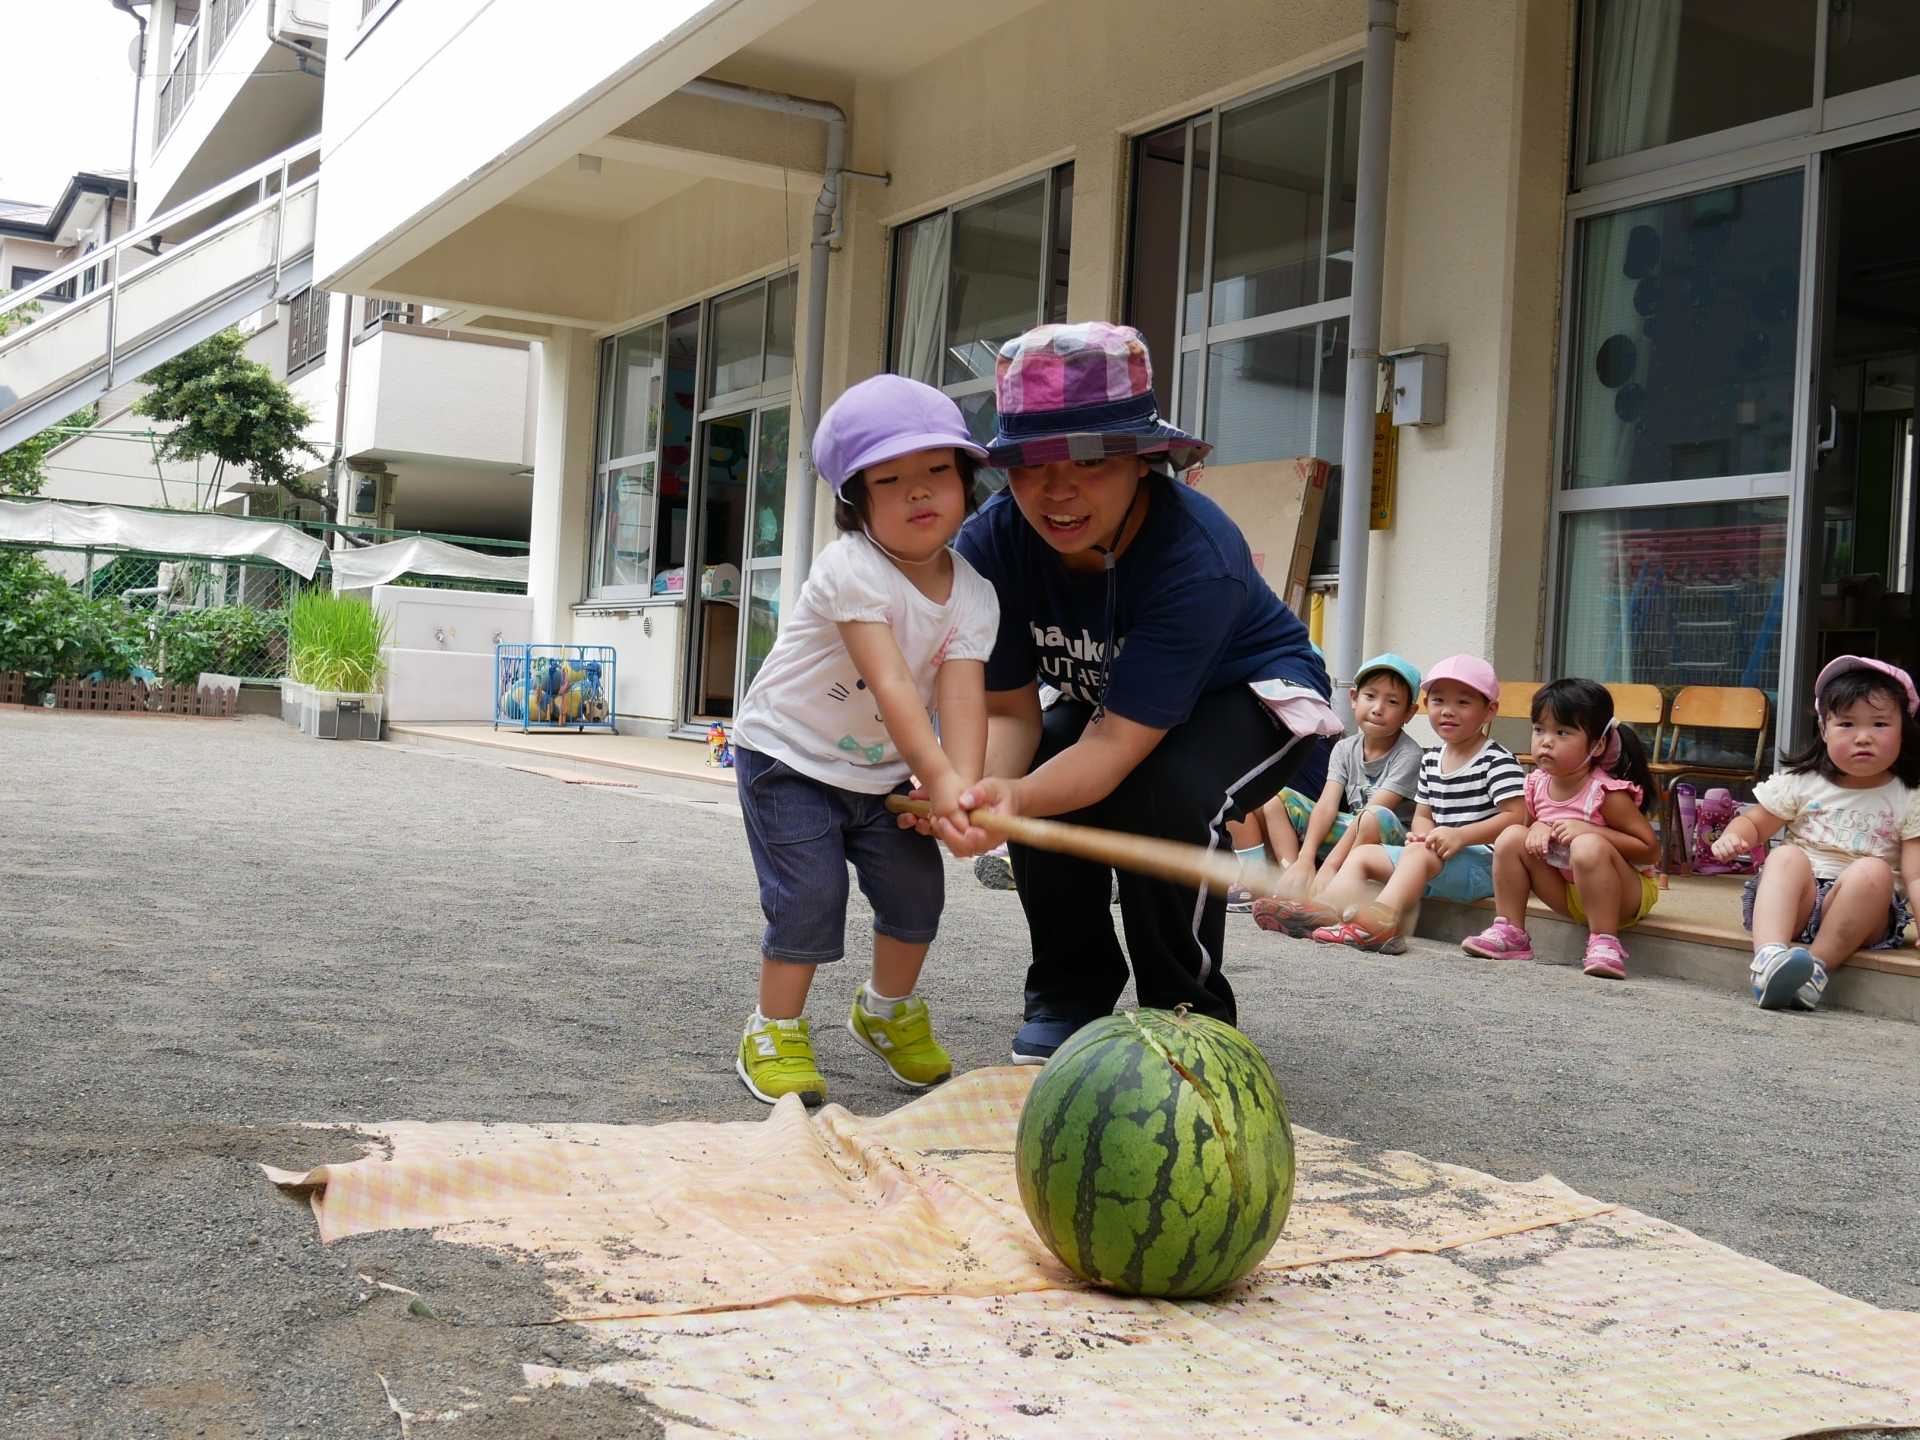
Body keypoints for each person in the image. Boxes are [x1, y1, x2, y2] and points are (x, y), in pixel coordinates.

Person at [924, 321, 1336, 1064]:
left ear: (1144, 462)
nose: (1057, 491)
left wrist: (1014, 799)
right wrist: (986, 789)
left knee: (1165, 793)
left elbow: (1115, 748)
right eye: (1029, 464)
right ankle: (1069, 994)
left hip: (1249, 693)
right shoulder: (990, 548)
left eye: (1089, 459)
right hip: (1116, 703)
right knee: (1044, 760)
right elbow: (1010, 710)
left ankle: (1188, 1014)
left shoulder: (1198, 557)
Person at [728, 375, 1000, 1105]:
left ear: (967, 482)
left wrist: (963, 790)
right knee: (809, 896)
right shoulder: (851, 567)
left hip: (882, 773)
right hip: (789, 756)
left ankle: (885, 1014)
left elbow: (961, 696)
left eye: (937, 471)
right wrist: (939, 780)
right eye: (891, 479)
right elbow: (893, 687)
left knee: (917, 898)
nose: (919, 492)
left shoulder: (974, 590)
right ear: (856, 502)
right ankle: (773, 1028)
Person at [1711, 656, 1920, 1012]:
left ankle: (1815, 971)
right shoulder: (1803, 783)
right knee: (1786, 856)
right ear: (1824, 730)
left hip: (1862, 915)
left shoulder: (1908, 796)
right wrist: (1735, 835)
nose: (1863, 737)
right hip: (1799, 902)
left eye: (1880, 724)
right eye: (1847, 724)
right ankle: (1769, 960)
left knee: (1873, 870)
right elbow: (1756, 823)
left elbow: (1915, 874)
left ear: (1904, 729)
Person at [1308, 654, 1526, 953]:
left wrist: (1460, 835)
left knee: (1417, 856)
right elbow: (1424, 814)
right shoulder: (1433, 758)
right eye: (1438, 701)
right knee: (1364, 855)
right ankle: (1322, 912)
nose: (1448, 711)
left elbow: (1517, 817)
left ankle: (1379, 925)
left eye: (1463, 703)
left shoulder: (1496, 760)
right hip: (1436, 858)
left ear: (1490, 711)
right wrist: (1422, 833)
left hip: (1483, 867)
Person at [1460, 678, 1660, 979]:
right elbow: (1525, 838)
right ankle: (1511, 930)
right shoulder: (1535, 784)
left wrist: (1590, 831)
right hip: (1569, 893)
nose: (1546, 741)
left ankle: (1605, 941)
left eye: (1562, 732)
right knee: (1512, 837)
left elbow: (1650, 850)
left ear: (1598, 744)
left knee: (1587, 845)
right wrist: (1538, 825)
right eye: (1539, 729)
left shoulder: (1605, 793)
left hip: (1623, 898)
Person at [1246, 654, 1424, 931]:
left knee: (1371, 815)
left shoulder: (1409, 754)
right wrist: (1306, 859)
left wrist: (1329, 866)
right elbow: (1327, 804)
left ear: (1409, 713)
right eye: (1370, 696)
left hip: (1386, 841)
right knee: (1276, 801)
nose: (1378, 708)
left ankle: (1322, 899)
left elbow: (1372, 812)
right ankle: (1295, 885)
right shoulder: (1344, 748)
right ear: (1353, 697)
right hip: (1351, 831)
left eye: (1392, 702)